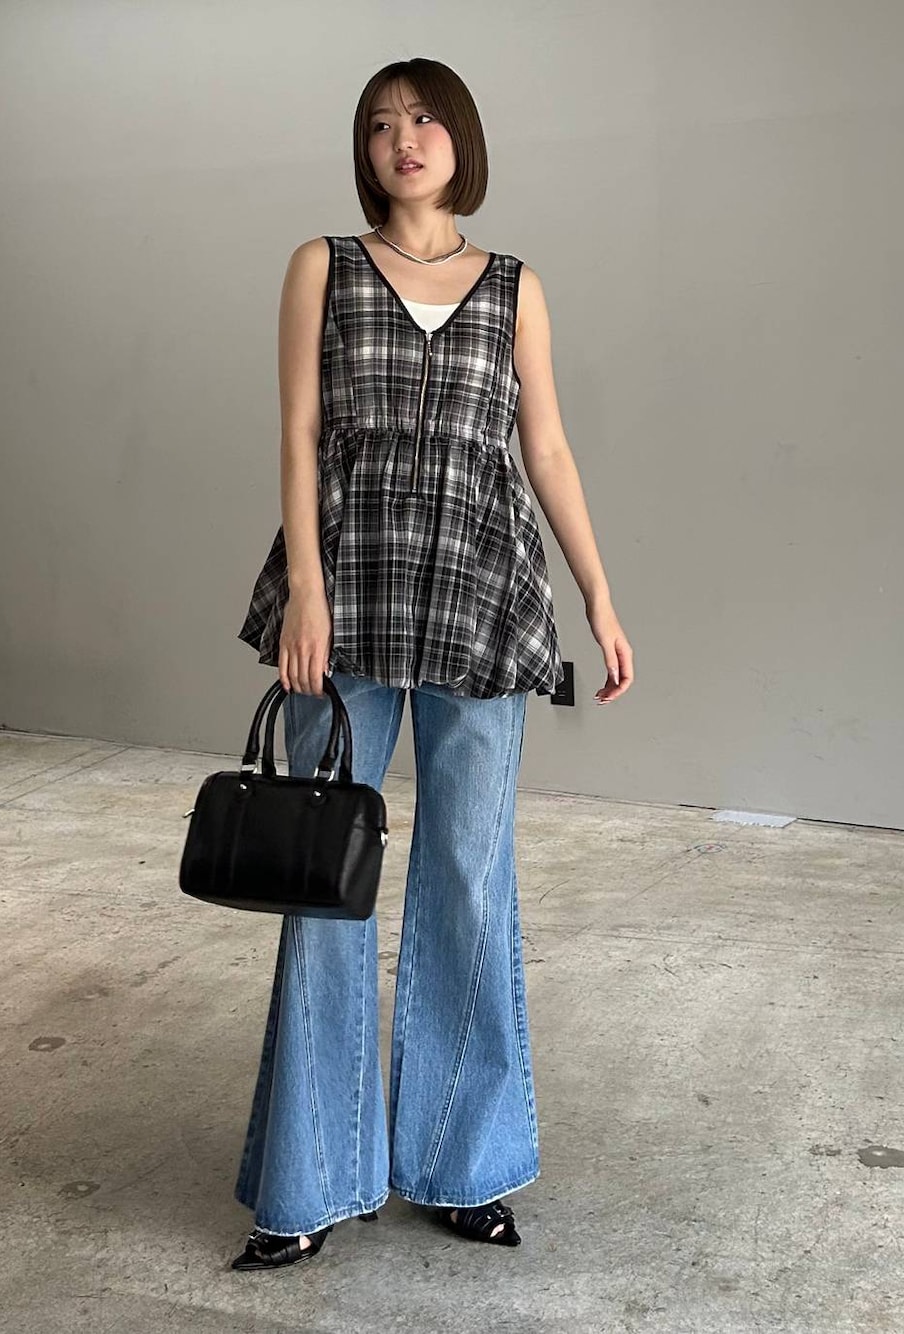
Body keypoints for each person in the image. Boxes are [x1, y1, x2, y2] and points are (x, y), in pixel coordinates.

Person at [230, 57, 634, 1271]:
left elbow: (544, 447)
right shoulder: (322, 266)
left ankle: (463, 1166)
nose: (402, 138)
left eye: (422, 118)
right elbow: (297, 432)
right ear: (364, 150)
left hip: (479, 597)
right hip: (343, 600)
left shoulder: (514, 287)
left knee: (467, 877)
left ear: (460, 137)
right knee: (323, 883)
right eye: (379, 124)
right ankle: (308, 1179)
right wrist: (307, 587)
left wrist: (599, 592)